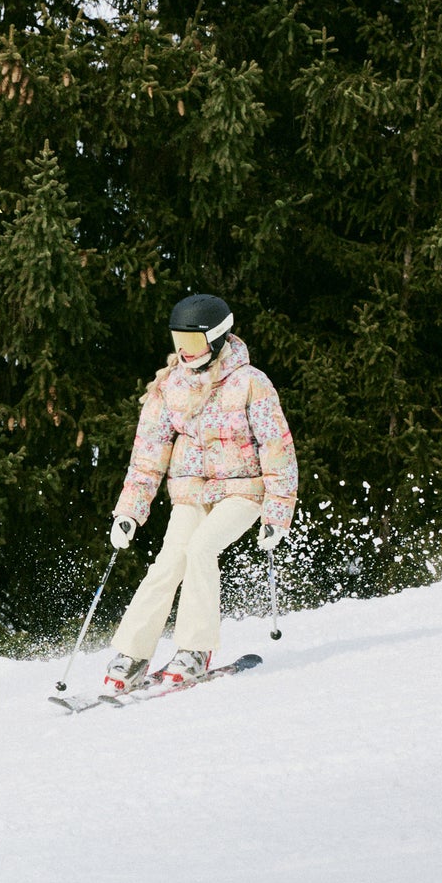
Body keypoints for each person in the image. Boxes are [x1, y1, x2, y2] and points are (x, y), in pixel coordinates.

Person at [101, 293, 298, 695]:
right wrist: (129, 512)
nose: (185, 353)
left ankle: (194, 650)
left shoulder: (251, 383)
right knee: (169, 560)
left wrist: (277, 514)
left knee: (202, 550)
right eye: (179, 342)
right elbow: (148, 454)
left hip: (244, 491)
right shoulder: (169, 386)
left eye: (194, 343)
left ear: (220, 338)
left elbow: (278, 449)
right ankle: (132, 654)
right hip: (193, 492)